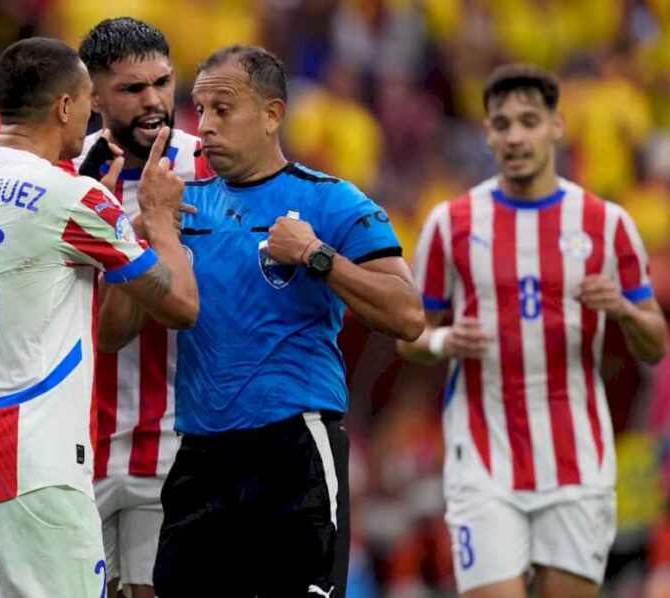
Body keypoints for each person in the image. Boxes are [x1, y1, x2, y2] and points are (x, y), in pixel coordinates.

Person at [0, 37, 198, 597]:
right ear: (64, 107)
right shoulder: (72, 198)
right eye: (90, 99)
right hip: (30, 469)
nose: (92, 113)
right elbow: (180, 304)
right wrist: (158, 220)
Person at [148, 44, 425, 597]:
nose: (205, 126)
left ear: (273, 115)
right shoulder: (181, 208)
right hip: (202, 452)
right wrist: (153, 229)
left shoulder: (330, 201)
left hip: (292, 445)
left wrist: (319, 257)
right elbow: (114, 330)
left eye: (223, 109)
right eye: (199, 109)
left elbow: (408, 314)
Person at [398, 63, 667, 597]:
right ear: (487, 133)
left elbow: (655, 343)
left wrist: (626, 311)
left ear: (556, 126)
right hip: (482, 461)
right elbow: (409, 337)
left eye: (528, 121)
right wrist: (447, 341)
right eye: (502, 124)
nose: (515, 135)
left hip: (577, 464)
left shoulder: (605, 224)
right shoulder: (449, 224)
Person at [67, 17, 212, 598]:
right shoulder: (65, 172)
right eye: (132, 89)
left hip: (177, 439)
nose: (154, 101)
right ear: (93, 97)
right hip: (77, 445)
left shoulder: (210, 166)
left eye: (162, 82)